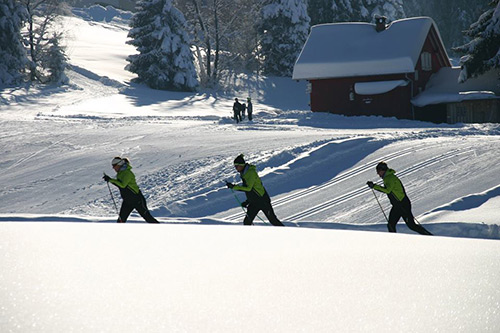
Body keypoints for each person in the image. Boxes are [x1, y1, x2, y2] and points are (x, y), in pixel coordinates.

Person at [367, 162, 432, 235]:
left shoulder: (390, 178)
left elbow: (388, 190)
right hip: (398, 205)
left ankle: (430, 236)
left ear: (382, 170)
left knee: (411, 225)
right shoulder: (388, 177)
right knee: (391, 225)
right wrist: (374, 186)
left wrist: (374, 186)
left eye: (378, 172)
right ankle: (394, 241)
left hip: (402, 204)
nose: (378, 174)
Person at [226, 154, 284, 226]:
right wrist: (248, 201)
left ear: (241, 165)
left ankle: (288, 234)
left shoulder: (250, 173)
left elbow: (248, 188)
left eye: (236, 166)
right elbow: (251, 190)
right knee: (247, 222)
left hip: (263, 200)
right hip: (254, 203)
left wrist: (233, 187)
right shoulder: (244, 173)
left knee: (273, 220)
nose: (236, 168)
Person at [103, 157, 159, 223]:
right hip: (127, 200)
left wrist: (110, 180)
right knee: (121, 220)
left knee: (148, 218)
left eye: (114, 166)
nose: (113, 168)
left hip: (137, 199)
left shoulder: (127, 173)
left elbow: (123, 185)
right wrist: (110, 180)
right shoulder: (120, 173)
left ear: (119, 164)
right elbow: (120, 185)